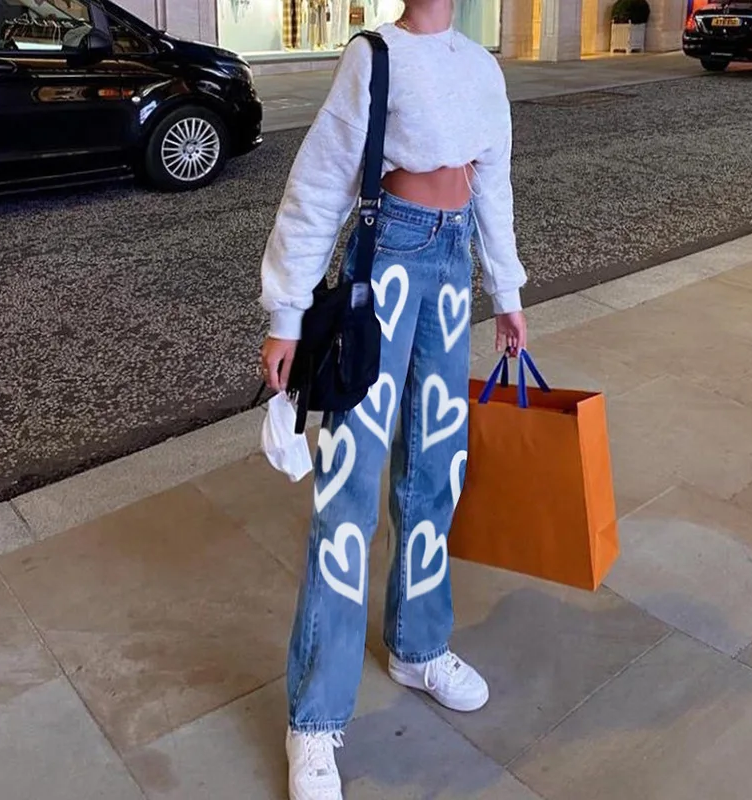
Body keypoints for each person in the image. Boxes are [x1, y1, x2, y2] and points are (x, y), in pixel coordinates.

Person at [259, 0, 527, 797]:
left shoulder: (481, 67)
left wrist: (507, 291)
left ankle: (418, 644)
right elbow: (320, 183)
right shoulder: (374, 55)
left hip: (451, 263)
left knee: (436, 469)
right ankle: (314, 720)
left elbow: (493, 182)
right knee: (348, 488)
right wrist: (287, 313)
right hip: (389, 262)